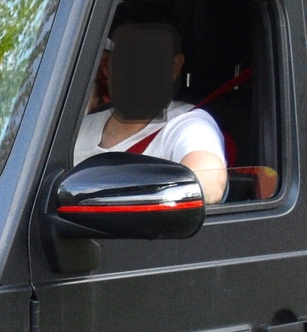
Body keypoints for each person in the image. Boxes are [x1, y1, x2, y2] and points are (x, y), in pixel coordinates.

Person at [75, 19, 227, 202]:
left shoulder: (188, 125)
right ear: (107, 66)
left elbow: (208, 186)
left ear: (174, 67)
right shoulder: (78, 128)